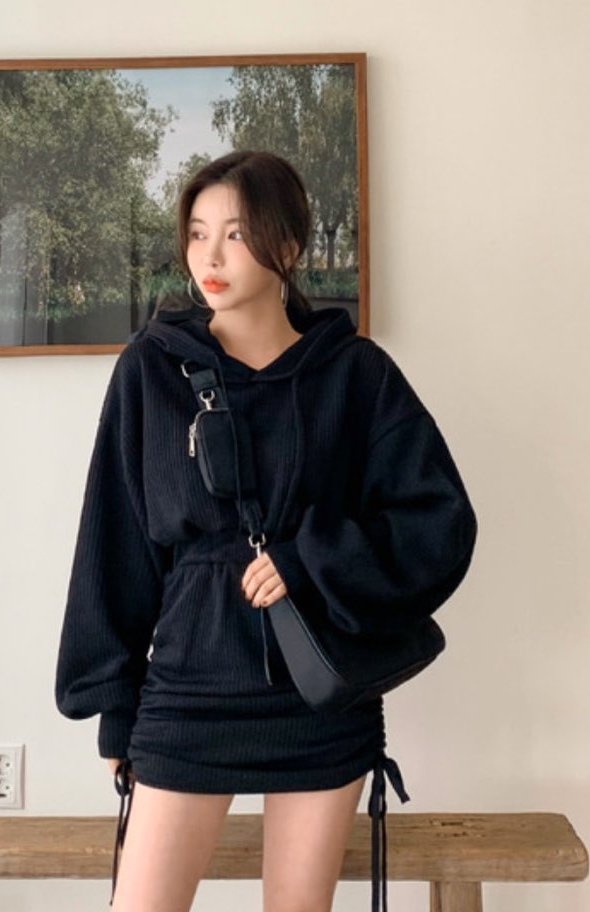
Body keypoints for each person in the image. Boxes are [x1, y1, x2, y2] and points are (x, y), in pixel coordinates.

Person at [55, 150, 477, 912]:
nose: (210, 257)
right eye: (197, 233)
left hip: (318, 700)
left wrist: (309, 559)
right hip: (189, 691)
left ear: (287, 243)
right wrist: (114, 705)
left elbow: (437, 523)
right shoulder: (151, 370)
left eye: (237, 234)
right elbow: (113, 544)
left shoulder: (356, 374)